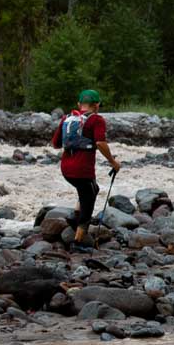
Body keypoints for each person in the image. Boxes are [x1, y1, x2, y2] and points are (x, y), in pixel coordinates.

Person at [50, 88, 120, 251]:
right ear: (96, 105)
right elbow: (101, 143)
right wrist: (113, 162)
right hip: (82, 169)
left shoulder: (67, 118)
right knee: (88, 200)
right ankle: (78, 241)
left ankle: (74, 217)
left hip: (66, 169)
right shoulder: (97, 120)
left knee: (92, 189)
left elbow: (56, 144)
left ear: (79, 104)